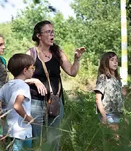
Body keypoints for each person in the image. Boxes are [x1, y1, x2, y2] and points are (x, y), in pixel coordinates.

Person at [25, 20, 86, 150]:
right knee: (37, 140)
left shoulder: (58, 52)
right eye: (48, 32)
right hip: (35, 103)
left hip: (55, 102)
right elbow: (20, 79)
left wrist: (77, 59)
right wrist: (35, 80)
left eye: (53, 31)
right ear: (38, 36)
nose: (52, 34)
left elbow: (72, 72)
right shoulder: (31, 54)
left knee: (53, 141)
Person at [0, 53, 35, 151]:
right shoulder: (24, 86)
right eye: (32, 67)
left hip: (8, 131)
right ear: (25, 70)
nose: (34, 69)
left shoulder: (6, 85)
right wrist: (28, 118)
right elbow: (17, 105)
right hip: (22, 132)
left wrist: (2, 115)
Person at [94, 52, 124, 131]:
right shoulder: (103, 77)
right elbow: (98, 99)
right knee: (114, 138)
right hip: (107, 113)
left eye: (117, 60)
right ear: (105, 62)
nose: (115, 62)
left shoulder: (117, 80)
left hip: (117, 113)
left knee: (115, 138)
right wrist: (104, 116)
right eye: (112, 60)